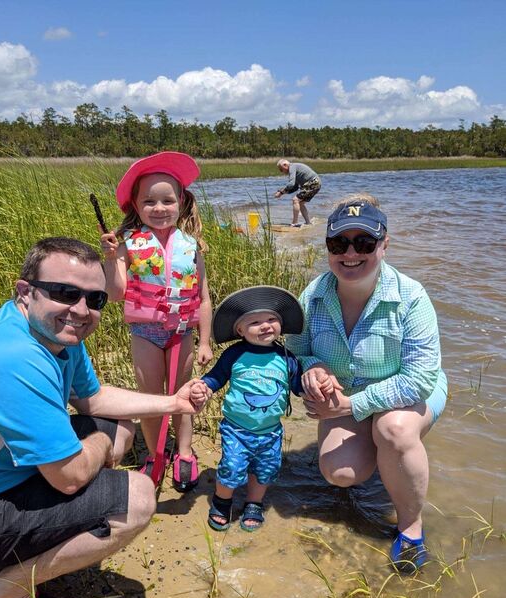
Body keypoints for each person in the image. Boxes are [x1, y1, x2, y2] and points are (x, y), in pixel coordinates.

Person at [0, 236, 209, 598]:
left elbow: (95, 398)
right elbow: (67, 480)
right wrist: (99, 447)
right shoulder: (12, 356)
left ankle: (60, 530)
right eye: (65, 293)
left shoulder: (56, 332)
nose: (81, 310)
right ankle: (5, 589)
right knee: (137, 498)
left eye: (95, 299)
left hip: (7, 473)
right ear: (25, 292)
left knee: (119, 425)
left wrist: (174, 403)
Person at [286, 194, 448, 573]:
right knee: (340, 474)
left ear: (385, 243)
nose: (351, 253)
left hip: (408, 394)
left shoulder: (411, 297)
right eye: (339, 244)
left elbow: (419, 379)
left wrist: (349, 408)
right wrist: (314, 369)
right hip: (349, 394)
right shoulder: (311, 297)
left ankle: (410, 527)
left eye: (364, 243)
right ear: (328, 247)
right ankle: (392, 458)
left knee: (393, 427)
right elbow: (294, 352)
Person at [101, 152, 213, 491]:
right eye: (149, 201)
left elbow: (204, 298)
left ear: (181, 202)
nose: (159, 208)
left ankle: (183, 452)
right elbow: (116, 292)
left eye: (167, 200)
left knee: (183, 396)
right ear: (135, 205)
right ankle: (155, 453)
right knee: (150, 397)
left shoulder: (191, 246)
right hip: (145, 332)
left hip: (182, 332)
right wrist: (109, 257)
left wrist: (205, 340)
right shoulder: (128, 246)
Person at [192, 286, 333, 532]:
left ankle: (254, 503)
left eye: (272, 319)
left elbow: (298, 386)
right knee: (231, 467)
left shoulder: (286, 357)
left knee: (264, 470)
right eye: (255, 322)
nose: (266, 326)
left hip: (270, 432)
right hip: (236, 429)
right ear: (239, 329)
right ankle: (222, 500)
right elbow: (216, 377)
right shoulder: (235, 354)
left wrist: (316, 390)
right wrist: (203, 388)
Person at [274, 159, 321, 226]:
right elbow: (295, 187)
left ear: (285, 165)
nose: (282, 172)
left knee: (295, 200)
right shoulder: (295, 169)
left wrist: (281, 192)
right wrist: (283, 193)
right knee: (300, 203)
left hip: (313, 182)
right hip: (316, 183)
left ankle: (294, 223)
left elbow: (291, 184)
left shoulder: (292, 167)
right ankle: (308, 223)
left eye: (281, 169)